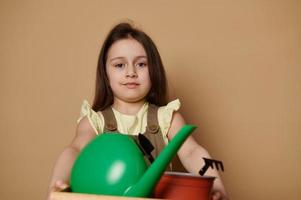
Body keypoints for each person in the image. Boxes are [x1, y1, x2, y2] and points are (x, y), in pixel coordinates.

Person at [47, 22, 228, 200]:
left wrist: (216, 186)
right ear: (105, 73)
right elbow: (75, 150)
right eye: (119, 65)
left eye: (141, 64)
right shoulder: (95, 122)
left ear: (153, 69)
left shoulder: (166, 118)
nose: (131, 72)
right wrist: (58, 183)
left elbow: (192, 152)